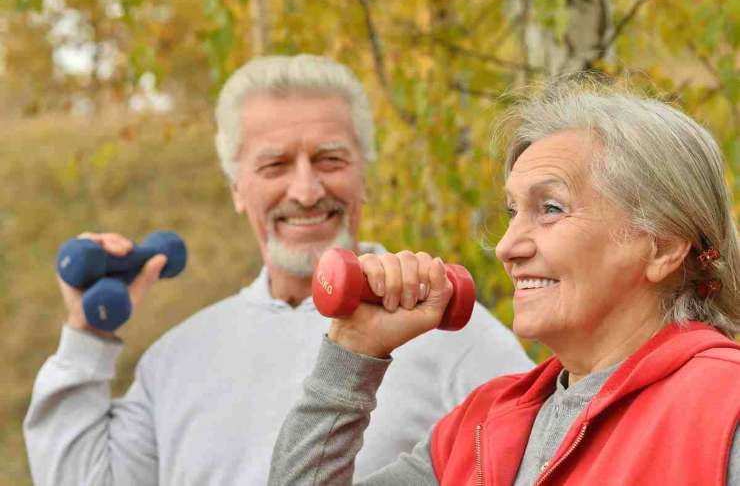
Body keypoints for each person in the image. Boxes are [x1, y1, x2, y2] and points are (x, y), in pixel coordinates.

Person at [23, 55, 533, 485]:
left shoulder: (454, 334)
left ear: (365, 177)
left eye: (330, 159)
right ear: (236, 190)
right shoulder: (176, 358)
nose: (307, 191)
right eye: (275, 166)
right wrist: (87, 337)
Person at [268, 78, 740, 485]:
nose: (506, 247)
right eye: (513, 213)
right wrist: (353, 351)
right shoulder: (479, 428)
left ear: (661, 246)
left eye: (550, 209)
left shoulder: (726, 406)